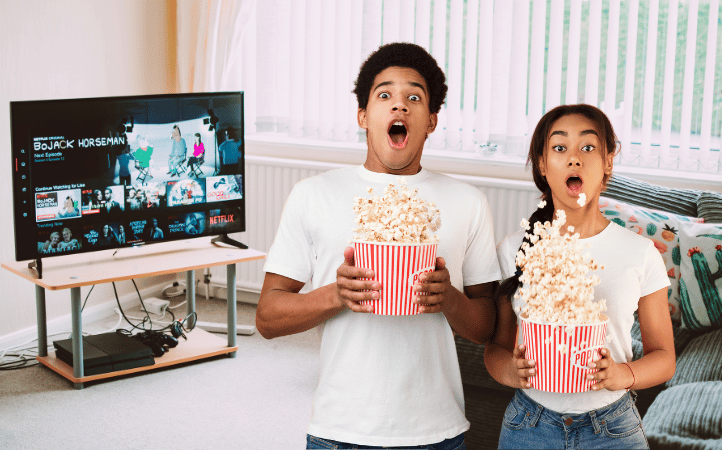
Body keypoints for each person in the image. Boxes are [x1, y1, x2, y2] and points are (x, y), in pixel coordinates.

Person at [256, 42, 501, 449]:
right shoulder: (313, 195)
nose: (399, 107)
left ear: (432, 120)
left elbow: (487, 326)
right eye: (384, 95)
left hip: (436, 432)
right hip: (340, 432)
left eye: (414, 98)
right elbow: (267, 317)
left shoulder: (468, 202)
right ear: (363, 116)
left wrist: (449, 299)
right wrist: (336, 295)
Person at [484, 104, 675, 449]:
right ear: (543, 165)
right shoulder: (513, 249)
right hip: (529, 424)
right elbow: (495, 349)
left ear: (608, 162)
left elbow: (663, 358)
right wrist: (509, 372)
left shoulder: (639, 252)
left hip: (612, 428)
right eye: (560, 148)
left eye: (588, 147)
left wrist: (623, 375)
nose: (574, 158)